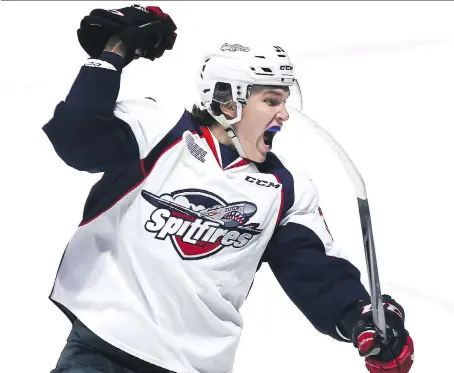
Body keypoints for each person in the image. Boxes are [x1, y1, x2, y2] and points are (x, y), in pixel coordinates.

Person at [43, 4, 414, 373]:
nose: (283, 114)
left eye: (284, 101)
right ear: (226, 98)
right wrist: (115, 51)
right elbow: (78, 138)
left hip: (194, 367)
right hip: (102, 351)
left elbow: (319, 275)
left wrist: (364, 319)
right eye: (270, 101)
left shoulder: (285, 189)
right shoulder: (159, 130)